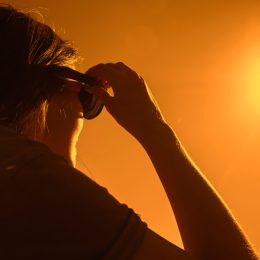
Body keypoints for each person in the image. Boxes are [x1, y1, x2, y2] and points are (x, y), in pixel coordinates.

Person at [0, 4, 258, 260]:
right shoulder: (38, 185)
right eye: (87, 96)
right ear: (37, 87)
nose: (83, 119)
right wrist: (154, 129)